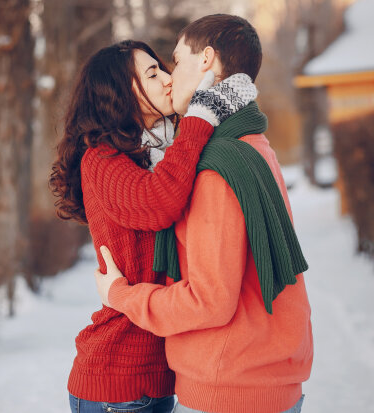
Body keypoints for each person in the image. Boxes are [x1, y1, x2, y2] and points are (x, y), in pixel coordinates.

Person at [94, 15, 313, 413]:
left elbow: (209, 301)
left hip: (227, 386)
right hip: (267, 378)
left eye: (176, 62)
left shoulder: (215, 165)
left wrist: (121, 295)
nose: (171, 77)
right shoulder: (253, 142)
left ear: (207, 60)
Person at [50, 39, 258, 413]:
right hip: (118, 379)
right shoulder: (100, 159)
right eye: (152, 73)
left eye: (163, 68)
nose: (166, 79)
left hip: (161, 377)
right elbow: (158, 202)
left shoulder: (157, 154)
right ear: (117, 92)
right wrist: (200, 116)